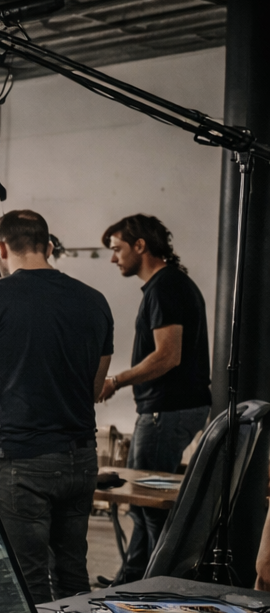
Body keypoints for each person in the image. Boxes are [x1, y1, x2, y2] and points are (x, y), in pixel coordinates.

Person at [0, 210, 113, 603]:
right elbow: (94, 388)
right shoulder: (94, 300)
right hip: (81, 459)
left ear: (0, 247)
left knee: (26, 583)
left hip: (22, 462)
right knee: (73, 576)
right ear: (48, 246)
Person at [97, 215, 213, 583]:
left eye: (117, 249)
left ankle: (152, 583)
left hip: (168, 411)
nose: (114, 258)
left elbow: (167, 356)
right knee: (141, 504)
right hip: (168, 409)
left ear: (140, 246)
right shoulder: (167, 286)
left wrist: (115, 380)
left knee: (149, 505)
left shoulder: (166, 287)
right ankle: (132, 579)